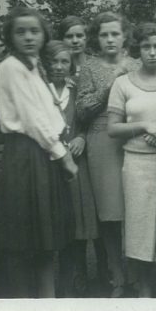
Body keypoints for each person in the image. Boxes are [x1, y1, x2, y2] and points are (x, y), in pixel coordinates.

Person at [0, 7, 77, 298]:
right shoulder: (11, 68)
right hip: (25, 156)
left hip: (42, 155)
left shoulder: (32, 67)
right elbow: (32, 119)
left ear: (44, 35)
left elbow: (48, 112)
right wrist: (63, 155)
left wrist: (60, 144)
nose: (29, 37)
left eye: (35, 31)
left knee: (45, 240)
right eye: (21, 31)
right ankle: (24, 305)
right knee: (23, 242)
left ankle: (47, 301)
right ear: (9, 36)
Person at [107, 23, 156, 297]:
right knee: (139, 227)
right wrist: (144, 127)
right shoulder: (122, 83)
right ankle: (145, 288)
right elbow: (112, 129)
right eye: (146, 46)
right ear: (137, 49)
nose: (152, 52)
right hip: (136, 164)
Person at [76, 11, 139, 297]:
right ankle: (117, 275)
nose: (110, 39)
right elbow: (82, 110)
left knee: (137, 209)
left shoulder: (137, 64)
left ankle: (139, 272)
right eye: (104, 34)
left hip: (135, 138)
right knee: (111, 214)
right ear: (96, 39)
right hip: (101, 140)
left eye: (115, 33)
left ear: (125, 35)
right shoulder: (89, 67)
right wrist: (109, 84)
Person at [43, 40, 101, 297]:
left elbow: (90, 120)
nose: (58, 66)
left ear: (70, 64)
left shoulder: (76, 90)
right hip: (49, 166)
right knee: (56, 223)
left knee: (79, 221)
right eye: (53, 61)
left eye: (64, 61)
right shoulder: (39, 91)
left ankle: (79, 277)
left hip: (76, 164)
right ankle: (57, 283)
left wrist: (82, 137)